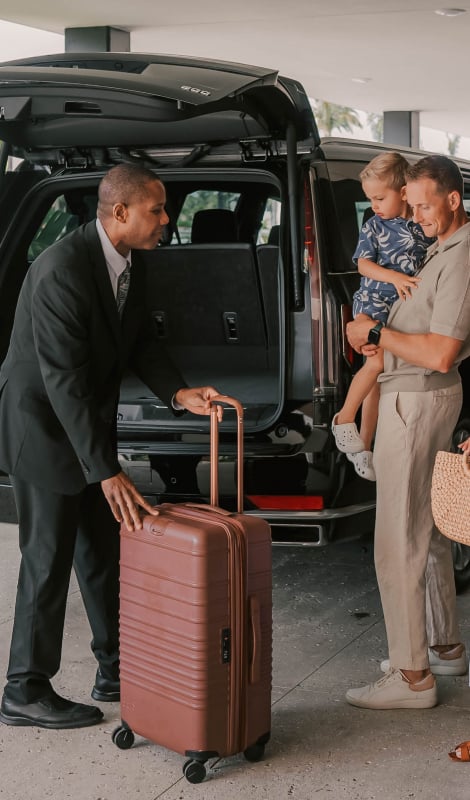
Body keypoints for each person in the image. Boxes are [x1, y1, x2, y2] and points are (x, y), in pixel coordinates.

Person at [0, 164, 222, 730]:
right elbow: (63, 382)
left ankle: (116, 668)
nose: (168, 220)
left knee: (102, 549)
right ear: (120, 212)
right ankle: (24, 688)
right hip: (41, 423)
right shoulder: (61, 270)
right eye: (158, 209)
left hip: (81, 419)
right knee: (47, 556)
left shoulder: (130, 264)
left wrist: (178, 392)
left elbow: (139, 338)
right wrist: (106, 469)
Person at [345, 154, 470, 710]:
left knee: (397, 540)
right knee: (431, 527)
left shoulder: (461, 255)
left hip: (414, 401)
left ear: (453, 199)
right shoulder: (443, 248)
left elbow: (442, 352)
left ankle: (411, 676)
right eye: (411, 205)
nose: (416, 215)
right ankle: (442, 647)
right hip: (415, 398)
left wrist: (374, 331)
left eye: (423, 205)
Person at [332, 152, 434, 481]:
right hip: (374, 300)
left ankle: (364, 445)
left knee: (380, 377)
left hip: (399, 310)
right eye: (369, 199)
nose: (373, 205)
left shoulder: (422, 225)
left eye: (379, 198)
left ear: (404, 192)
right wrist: (397, 278)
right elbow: (363, 265)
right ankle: (344, 419)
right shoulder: (375, 225)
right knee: (375, 365)